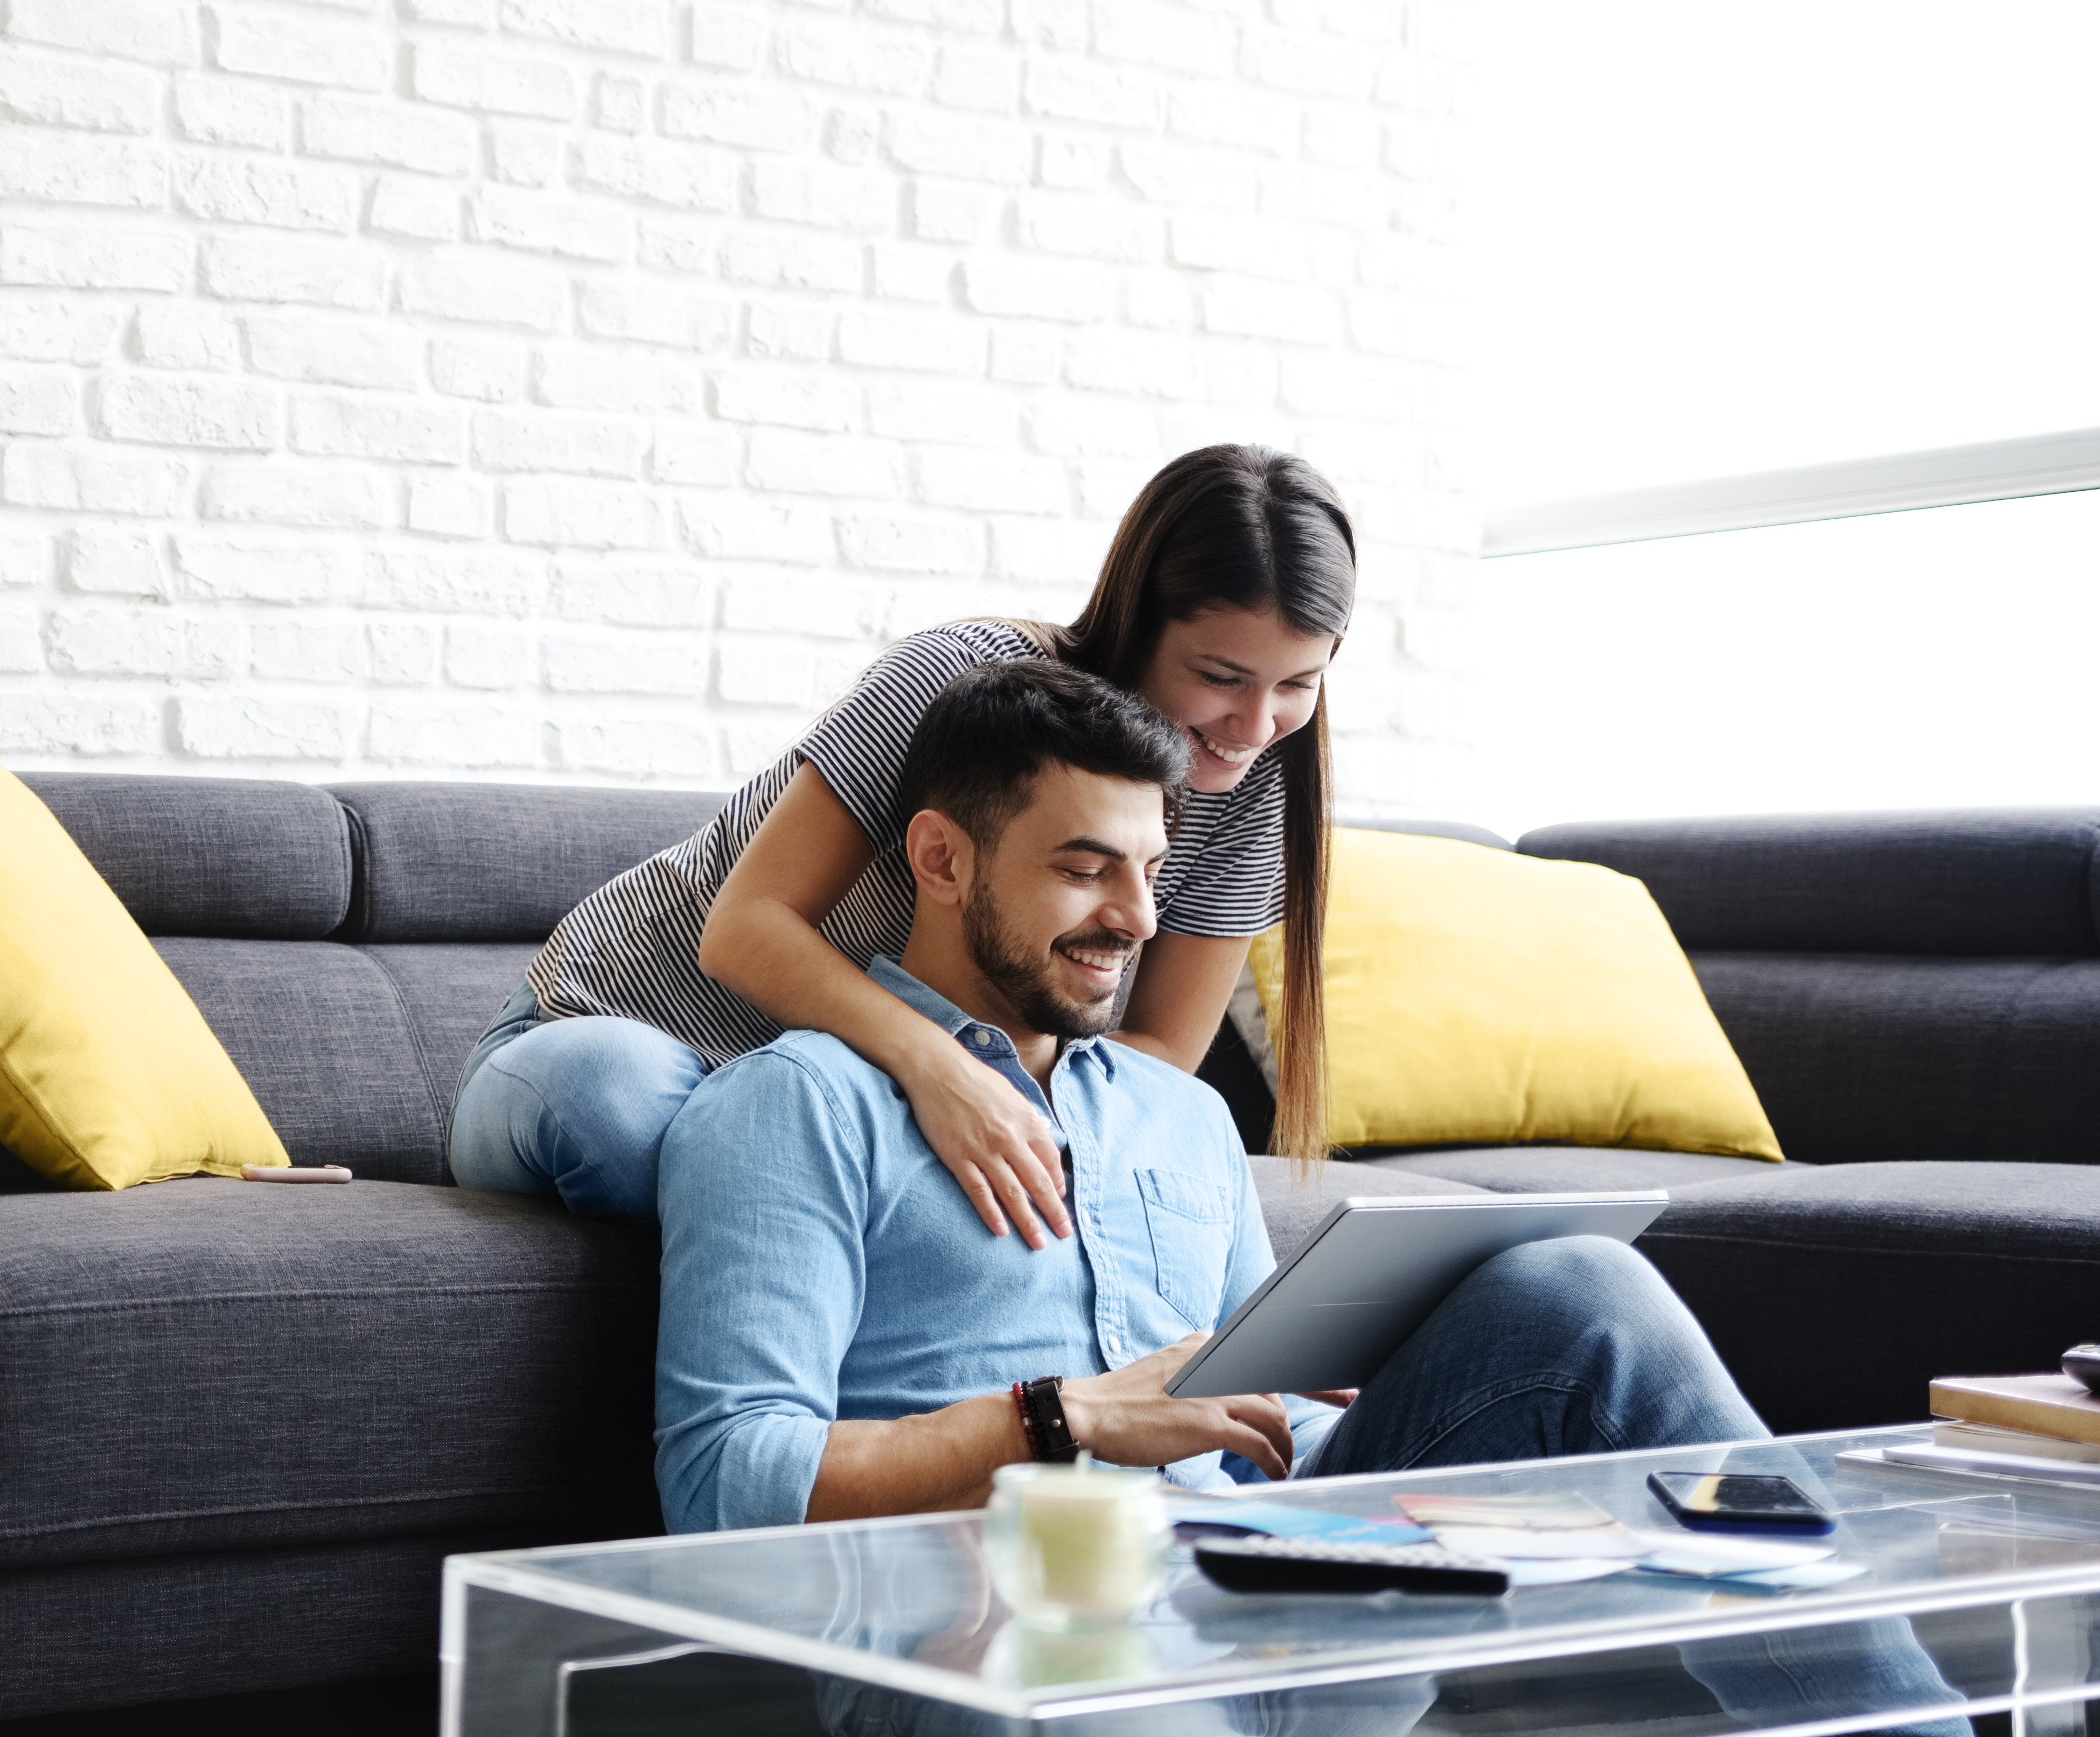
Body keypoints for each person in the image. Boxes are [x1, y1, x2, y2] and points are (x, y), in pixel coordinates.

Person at [655, 661, 1965, 1737]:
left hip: (1282, 1588)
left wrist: (1356, 1380)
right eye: (1082, 866)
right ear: (941, 857)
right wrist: (1060, 1418)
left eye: (1152, 871)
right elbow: (723, 1481)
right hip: (1016, 1637)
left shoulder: (1178, 1111)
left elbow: (1254, 1414)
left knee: (1583, 1287)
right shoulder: (796, 1104)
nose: (1134, 915)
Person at [449, 443, 1351, 1232]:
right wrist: (943, 1074)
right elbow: (745, 929)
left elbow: (1155, 1061)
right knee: (626, 1111)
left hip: (849, 1112)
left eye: (1298, 685)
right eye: (1222, 676)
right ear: (1138, 619)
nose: (1256, 723)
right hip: (632, 1038)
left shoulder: (1256, 793)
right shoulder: (960, 681)